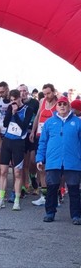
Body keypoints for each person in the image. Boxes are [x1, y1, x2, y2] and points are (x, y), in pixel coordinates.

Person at [36, 96, 81, 225]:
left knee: (74, 190)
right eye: (60, 104)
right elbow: (43, 142)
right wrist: (40, 158)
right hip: (53, 161)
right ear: (56, 106)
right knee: (51, 188)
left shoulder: (78, 123)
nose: (62, 106)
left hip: (72, 161)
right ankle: (50, 212)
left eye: (64, 104)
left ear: (69, 106)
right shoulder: (50, 122)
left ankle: (76, 215)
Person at [0, 89, 33, 211]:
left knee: (17, 172)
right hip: (7, 141)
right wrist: (11, 111)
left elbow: (24, 126)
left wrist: (16, 113)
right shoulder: (10, 108)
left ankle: (16, 199)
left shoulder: (28, 109)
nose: (13, 102)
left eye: (15, 99)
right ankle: (1, 199)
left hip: (19, 143)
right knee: (3, 171)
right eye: (11, 100)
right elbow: (5, 124)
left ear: (20, 98)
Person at [30, 83, 58, 206]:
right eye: (45, 93)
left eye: (49, 93)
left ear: (54, 92)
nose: (47, 96)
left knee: (52, 169)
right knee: (40, 167)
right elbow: (37, 116)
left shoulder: (59, 104)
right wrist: (33, 131)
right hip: (40, 136)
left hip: (52, 139)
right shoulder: (42, 101)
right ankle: (44, 196)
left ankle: (56, 196)